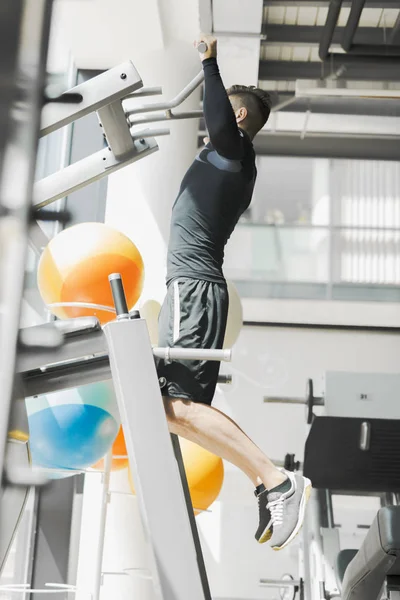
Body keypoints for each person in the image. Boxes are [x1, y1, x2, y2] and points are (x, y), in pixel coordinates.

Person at [156, 34, 311, 551]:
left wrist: (209, 62)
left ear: (240, 118)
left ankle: (276, 479)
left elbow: (220, 120)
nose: (213, 118)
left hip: (193, 289)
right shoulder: (230, 161)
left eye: (226, 111)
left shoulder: (234, 151)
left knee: (170, 405)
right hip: (196, 291)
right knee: (174, 411)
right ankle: (270, 482)